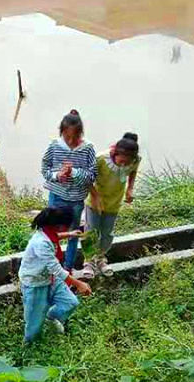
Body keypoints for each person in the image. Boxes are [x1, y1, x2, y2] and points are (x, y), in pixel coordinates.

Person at [18, 206, 92, 342]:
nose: (68, 228)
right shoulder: (41, 243)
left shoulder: (48, 232)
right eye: (67, 227)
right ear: (59, 226)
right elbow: (56, 268)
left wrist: (69, 235)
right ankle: (29, 349)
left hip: (50, 278)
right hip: (35, 283)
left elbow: (55, 237)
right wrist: (78, 283)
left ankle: (49, 318)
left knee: (71, 303)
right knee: (34, 325)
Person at [41, 110, 95, 272]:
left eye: (74, 138)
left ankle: (68, 267)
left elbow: (92, 176)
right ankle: (51, 265)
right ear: (61, 132)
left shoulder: (88, 149)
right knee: (49, 232)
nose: (71, 141)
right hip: (56, 197)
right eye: (67, 137)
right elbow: (45, 169)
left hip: (76, 201)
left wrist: (74, 172)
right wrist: (57, 175)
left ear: (81, 134)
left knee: (74, 233)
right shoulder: (54, 146)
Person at [86, 132, 141, 268]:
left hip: (114, 202)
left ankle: (100, 258)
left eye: (126, 163)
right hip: (95, 202)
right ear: (115, 154)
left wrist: (130, 188)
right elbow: (85, 179)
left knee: (107, 233)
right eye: (121, 161)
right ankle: (88, 261)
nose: (123, 165)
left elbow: (133, 171)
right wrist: (95, 196)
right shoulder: (100, 159)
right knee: (91, 231)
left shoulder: (135, 160)